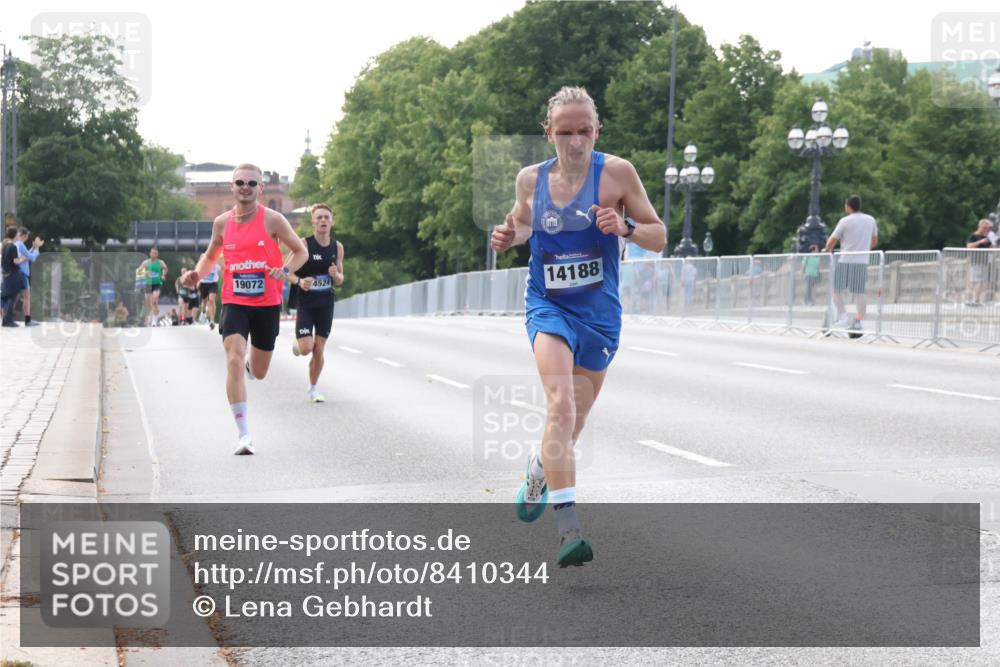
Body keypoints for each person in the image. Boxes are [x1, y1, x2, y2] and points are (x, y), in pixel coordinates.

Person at [491, 86, 665, 566]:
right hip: (548, 305)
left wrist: (626, 228)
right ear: (548, 133)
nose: (575, 141)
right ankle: (569, 531)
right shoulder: (531, 179)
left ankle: (540, 468)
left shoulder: (618, 174)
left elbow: (659, 235)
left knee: (574, 422)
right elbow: (522, 224)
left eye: (584, 131)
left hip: (600, 314)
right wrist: (508, 236)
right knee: (561, 403)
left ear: (597, 131)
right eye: (565, 132)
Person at [182, 163, 308, 455]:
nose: (245, 187)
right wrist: (197, 274)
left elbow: (301, 251)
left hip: (267, 304)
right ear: (232, 186)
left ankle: (253, 367)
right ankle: (244, 434)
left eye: (252, 183)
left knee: (259, 372)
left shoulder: (273, 220)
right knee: (234, 359)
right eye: (240, 182)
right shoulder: (221, 223)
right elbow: (211, 256)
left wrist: (284, 270)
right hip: (235, 301)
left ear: (260, 188)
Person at [287, 203, 344, 403]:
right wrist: (299, 281)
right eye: (319, 217)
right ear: (313, 221)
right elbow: (286, 271)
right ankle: (299, 342)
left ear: (332, 222)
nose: (323, 221)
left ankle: (313, 389)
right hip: (306, 302)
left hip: (326, 303)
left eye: (326, 217)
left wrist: (336, 275)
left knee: (319, 348)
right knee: (306, 349)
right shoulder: (304, 244)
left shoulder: (337, 247)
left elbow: (340, 279)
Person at [823, 194, 878, 335]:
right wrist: (863, 249)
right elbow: (874, 241)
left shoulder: (845, 221)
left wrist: (826, 250)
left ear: (848, 207)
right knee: (859, 293)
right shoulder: (870, 220)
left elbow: (832, 240)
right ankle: (859, 320)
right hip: (862, 262)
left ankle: (843, 315)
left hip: (845, 260)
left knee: (836, 290)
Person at [15, 228, 44, 326]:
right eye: (27, 236)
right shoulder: (21, 244)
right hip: (23, 273)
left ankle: (7, 318)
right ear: (24, 235)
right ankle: (27, 321)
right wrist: (37, 248)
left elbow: (26, 255)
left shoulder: (16, 244)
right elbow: (32, 258)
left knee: (13, 297)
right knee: (27, 297)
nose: (27, 238)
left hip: (17, 273)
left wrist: (33, 247)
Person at [1, 226, 28, 327]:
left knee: (8, 297)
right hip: (13, 274)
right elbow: (15, 261)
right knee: (12, 297)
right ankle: (8, 320)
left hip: (6, 274)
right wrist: (23, 259)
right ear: (15, 235)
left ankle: (5, 320)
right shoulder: (12, 246)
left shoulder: (4, 245)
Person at [965, 219, 994, 306]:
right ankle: (970, 300)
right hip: (976, 262)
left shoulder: (987, 237)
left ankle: (977, 300)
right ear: (980, 227)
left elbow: (991, 248)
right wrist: (980, 242)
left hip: (985, 262)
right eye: (985, 228)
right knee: (975, 281)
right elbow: (969, 246)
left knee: (982, 282)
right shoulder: (973, 236)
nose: (987, 230)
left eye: (988, 228)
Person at [138, 248, 168, 326]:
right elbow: (139, 271)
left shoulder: (160, 262)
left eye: (155, 253)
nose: (154, 255)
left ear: (157, 255)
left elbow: (165, 268)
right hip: (148, 284)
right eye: (153, 253)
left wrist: (163, 274)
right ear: (150, 253)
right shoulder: (146, 262)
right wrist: (145, 272)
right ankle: (151, 317)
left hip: (157, 284)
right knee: (148, 304)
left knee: (154, 301)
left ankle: (154, 321)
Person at [198, 258, 221, 330]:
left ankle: (212, 320)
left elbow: (221, 270)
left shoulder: (217, 263)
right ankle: (203, 312)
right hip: (203, 284)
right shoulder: (203, 261)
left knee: (211, 300)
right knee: (204, 302)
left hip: (213, 283)